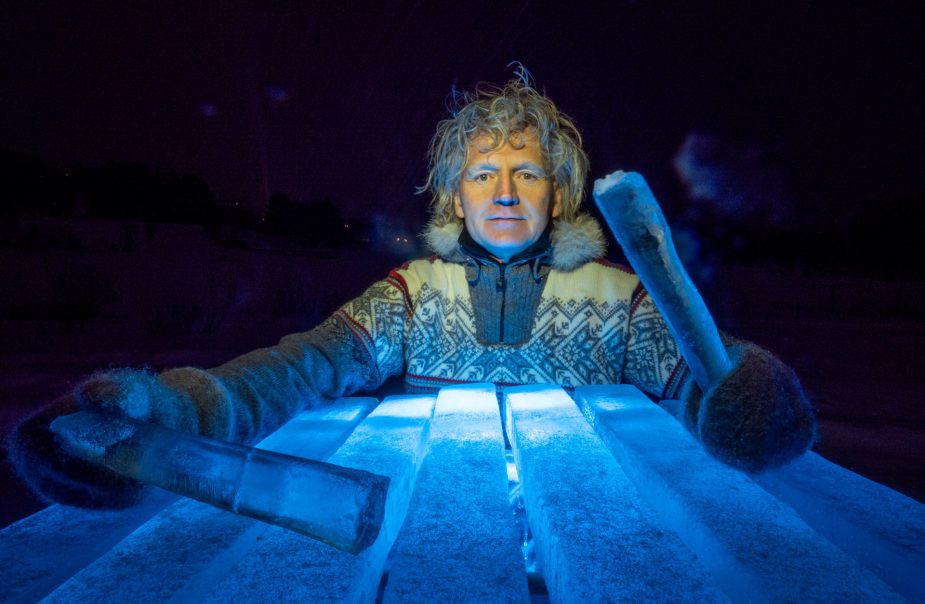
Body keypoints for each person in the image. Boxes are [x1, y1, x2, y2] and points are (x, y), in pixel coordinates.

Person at [9, 73, 816, 509]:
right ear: (454, 197)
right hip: (428, 538)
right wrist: (174, 416)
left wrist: (750, 401)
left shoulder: (615, 299)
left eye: (528, 173)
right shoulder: (409, 296)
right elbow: (295, 370)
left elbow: (704, 383)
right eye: (483, 173)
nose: (505, 191)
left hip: (597, 538)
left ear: (559, 194)